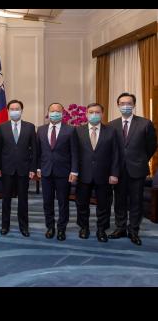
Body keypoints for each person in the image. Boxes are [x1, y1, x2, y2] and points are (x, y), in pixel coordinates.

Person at [108, 92, 157, 246]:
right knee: (119, 200)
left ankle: (134, 230)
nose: (125, 106)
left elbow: (151, 146)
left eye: (129, 103)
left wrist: (141, 159)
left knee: (136, 201)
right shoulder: (111, 125)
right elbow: (110, 148)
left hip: (138, 169)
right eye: (122, 103)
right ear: (118, 106)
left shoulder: (145, 123)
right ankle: (120, 227)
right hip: (118, 170)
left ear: (134, 105)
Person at [75, 103, 119, 243]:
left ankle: (101, 229)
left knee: (104, 204)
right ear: (86, 114)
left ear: (102, 114)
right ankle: (84, 227)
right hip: (83, 174)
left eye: (97, 112)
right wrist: (74, 171)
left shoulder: (111, 131)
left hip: (104, 175)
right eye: (91, 112)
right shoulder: (77, 131)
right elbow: (73, 154)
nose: (94, 114)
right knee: (82, 203)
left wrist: (114, 173)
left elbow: (116, 154)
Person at [36, 102, 78, 241]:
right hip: (46, 171)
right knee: (47, 201)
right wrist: (38, 168)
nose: (55, 113)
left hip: (64, 172)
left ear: (62, 113)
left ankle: (61, 228)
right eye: (52, 111)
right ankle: (50, 227)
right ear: (48, 113)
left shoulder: (70, 130)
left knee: (63, 202)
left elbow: (74, 153)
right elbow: (38, 152)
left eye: (58, 111)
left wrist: (74, 171)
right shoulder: (41, 130)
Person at [0, 100, 37, 237]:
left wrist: (33, 168)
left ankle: (24, 227)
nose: (14, 111)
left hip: (24, 169)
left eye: (17, 108)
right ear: (8, 111)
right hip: (7, 169)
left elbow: (34, 150)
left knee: (23, 200)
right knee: (6, 199)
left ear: (21, 110)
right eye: (12, 109)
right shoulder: (2, 127)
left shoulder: (30, 127)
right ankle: (4, 226)